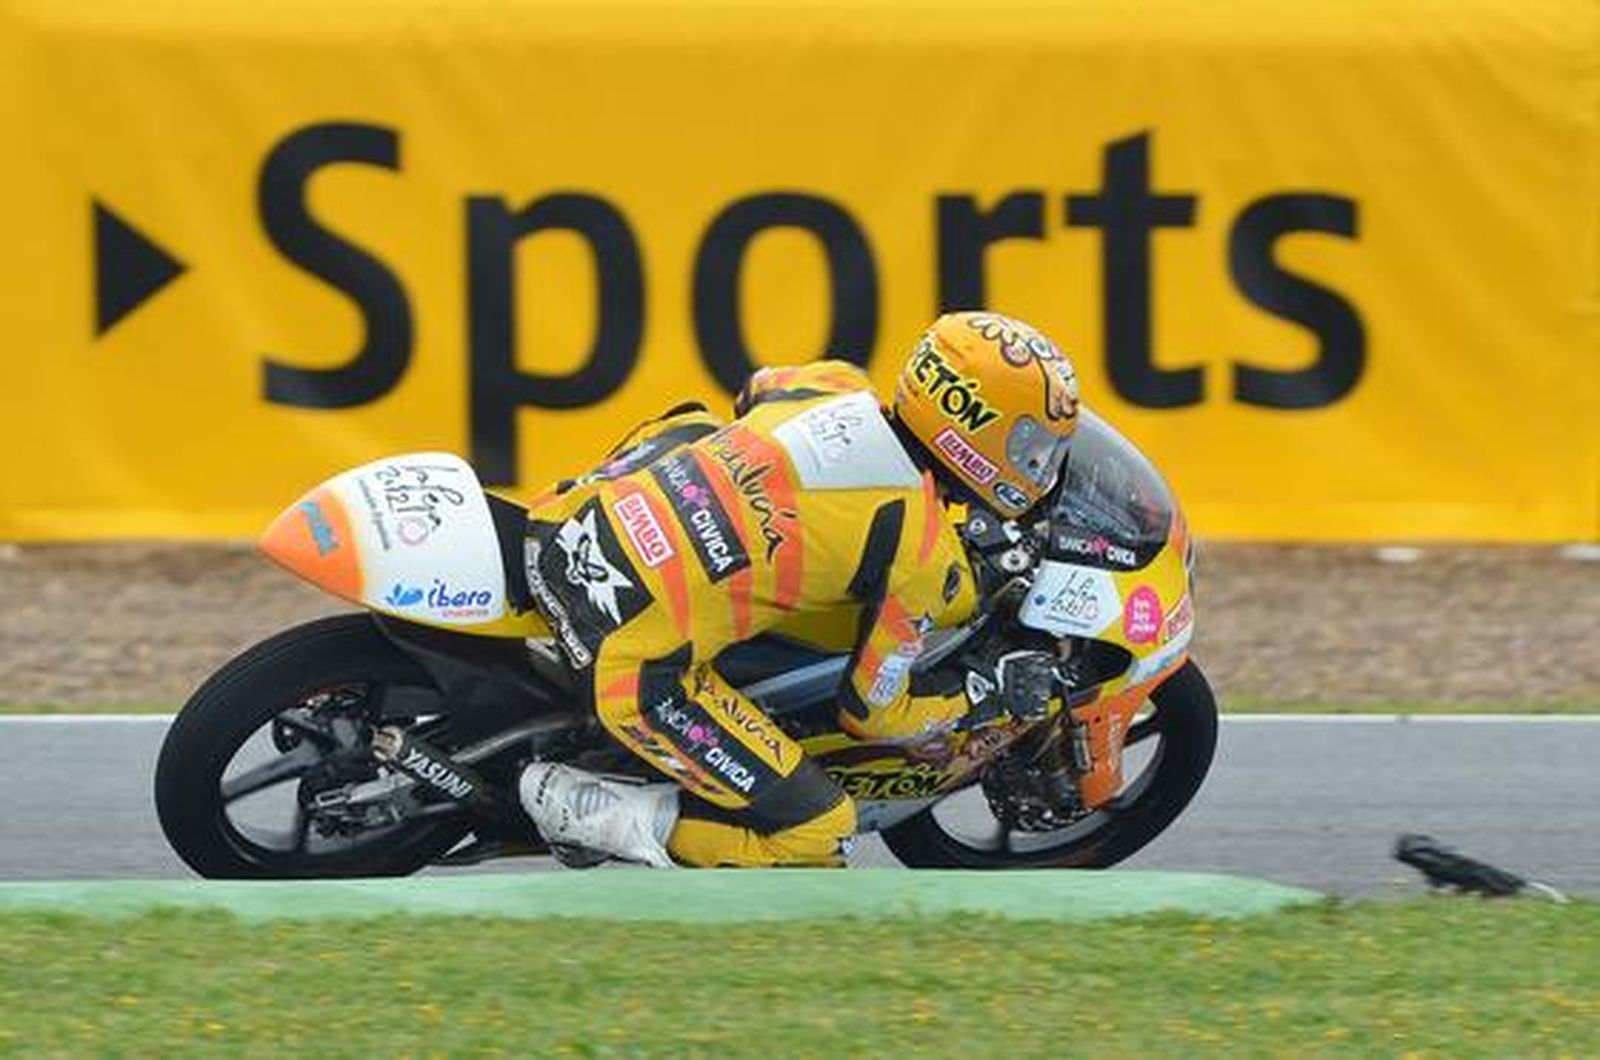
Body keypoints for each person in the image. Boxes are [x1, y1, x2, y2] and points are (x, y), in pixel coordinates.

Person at [518, 311, 1081, 867]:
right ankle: (597, 813)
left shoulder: (834, 383)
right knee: (821, 834)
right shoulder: (924, 554)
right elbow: (873, 714)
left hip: (560, 528)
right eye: (1030, 446)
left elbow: (754, 391)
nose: (1038, 465)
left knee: (697, 424)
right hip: (628, 662)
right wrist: (984, 694)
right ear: (981, 434)